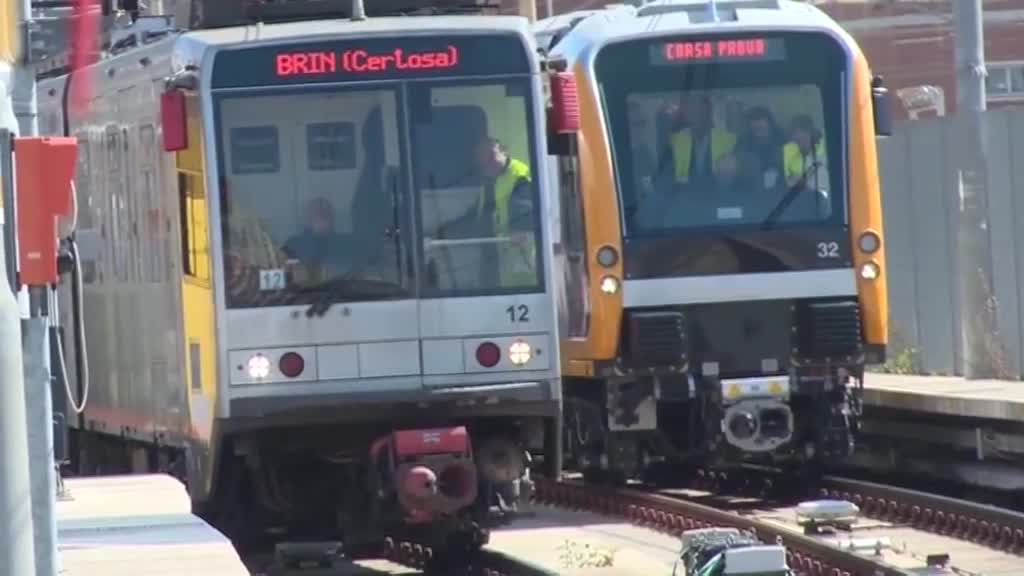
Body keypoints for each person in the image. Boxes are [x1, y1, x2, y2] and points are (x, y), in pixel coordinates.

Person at [470, 136, 537, 288]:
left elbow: (526, 210)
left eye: (492, 155)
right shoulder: (489, 180)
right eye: (483, 158)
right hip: (502, 253)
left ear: (504, 152)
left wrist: (519, 230)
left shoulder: (519, 175)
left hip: (522, 253)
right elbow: (482, 213)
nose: (488, 161)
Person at [656, 95, 737, 191]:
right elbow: (666, 174)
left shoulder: (729, 139)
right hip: (684, 196)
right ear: (688, 116)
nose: (699, 118)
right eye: (694, 114)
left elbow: (735, 175)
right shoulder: (675, 140)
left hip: (719, 194)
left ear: (710, 114)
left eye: (703, 113)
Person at [282, 196, 353, 282]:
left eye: (325, 215)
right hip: (303, 293)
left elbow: (356, 273)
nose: (321, 220)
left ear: (333, 218)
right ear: (307, 219)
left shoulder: (346, 245)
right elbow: (286, 276)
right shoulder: (292, 246)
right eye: (316, 216)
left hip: (344, 292)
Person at [783, 115, 828, 191]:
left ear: (812, 132)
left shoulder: (825, 150)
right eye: (795, 133)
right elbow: (786, 181)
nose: (799, 136)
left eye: (804, 132)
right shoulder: (789, 153)